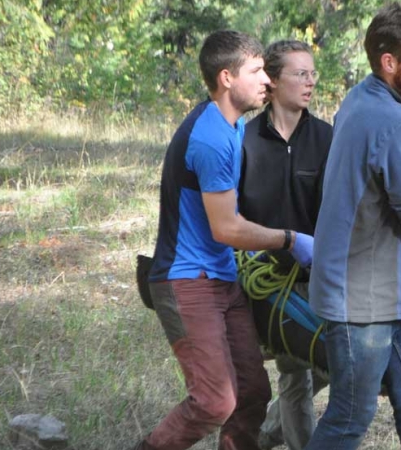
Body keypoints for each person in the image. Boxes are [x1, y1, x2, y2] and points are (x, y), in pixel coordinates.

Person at [135, 30, 313, 450]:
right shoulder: (212, 137)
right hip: (186, 281)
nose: (267, 81)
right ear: (227, 77)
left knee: (252, 394)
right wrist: (290, 239)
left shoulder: (229, 125)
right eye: (257, 72)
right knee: (215, 401)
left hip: (221, 277)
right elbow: (226, 229)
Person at [303, 3, 401, 449]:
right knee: (350, 417)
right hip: (363, 300)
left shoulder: (363, 96)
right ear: (389, 63)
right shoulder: (389, 120)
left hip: (394, 291)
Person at [236, 39, 332, 450]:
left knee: (327, 363)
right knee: (296, 372)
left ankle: (267, 432)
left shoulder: (329, 137)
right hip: (264, 277)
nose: (310, 82)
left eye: (313, 74)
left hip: (319, 274)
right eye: (300, 74)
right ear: (271, 81)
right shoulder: (243, 138)